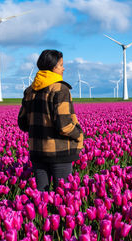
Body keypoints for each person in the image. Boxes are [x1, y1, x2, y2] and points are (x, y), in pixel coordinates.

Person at [18, 49, 84, 191]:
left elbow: (22, 123)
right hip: (59, 153)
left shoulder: (30, 91)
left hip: (37, 152)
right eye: (61, 65)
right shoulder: (60, 89)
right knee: (64, 197)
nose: (63, 68)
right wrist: (79, 134)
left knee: (41, 197)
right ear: (53, 67)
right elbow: (64, 125)